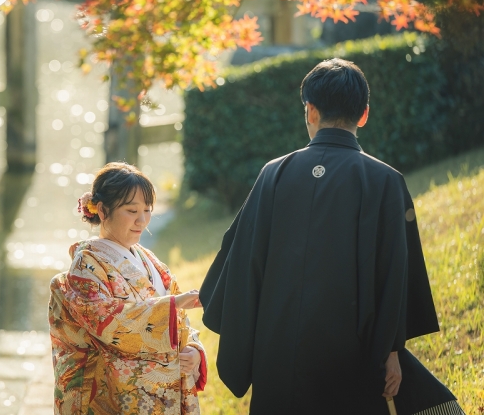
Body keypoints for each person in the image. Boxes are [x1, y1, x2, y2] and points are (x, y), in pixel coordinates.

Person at [199, 59, 465, 415]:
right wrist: (392, 352)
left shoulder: (273, 175)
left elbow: (242, 264)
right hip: (350, 357)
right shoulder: (385, 181)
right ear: (364, 114)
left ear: (310, 111)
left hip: (276, 357)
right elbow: (394, 276)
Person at [49, 162, 207, 415]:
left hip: (163, 389)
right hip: (117, 395)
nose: (142, 220)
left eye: (147, 210)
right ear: (102, 210)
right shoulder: (86, 265)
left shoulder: (148, 259)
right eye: (132, 210)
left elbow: (180, 322)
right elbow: (107, 322)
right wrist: (173, 304)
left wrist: (193, 350)